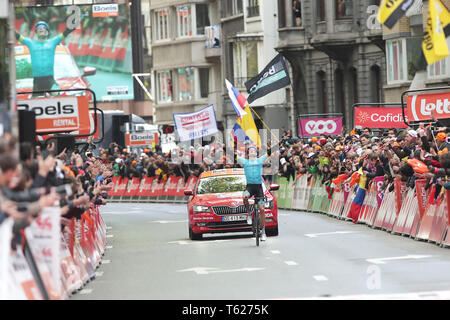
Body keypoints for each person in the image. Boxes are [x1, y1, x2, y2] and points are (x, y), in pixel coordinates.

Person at [15, 20, 77, 95]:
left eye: (43, 27)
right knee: (35, 103)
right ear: (36, 32)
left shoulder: (53, 42)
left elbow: (65, 33)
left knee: (58, 97)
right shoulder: (30, 43)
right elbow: (18, 36)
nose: (41, 29)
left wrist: (73, 25)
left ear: (47, 31)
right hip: (37, 81)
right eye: (38, 28)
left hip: (50, 79)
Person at [237, 145, 269, 241]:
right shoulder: (245, 162)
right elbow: (233, 155)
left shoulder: (260, 160)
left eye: (254, 151)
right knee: (245, 197)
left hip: (259, 188)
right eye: (250, 151)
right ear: (248, 154)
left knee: (262, 209)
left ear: (256, 153)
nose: (252, 152)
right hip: (250, 187)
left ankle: (263, 231)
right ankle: (249, 214)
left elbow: (269, 153)